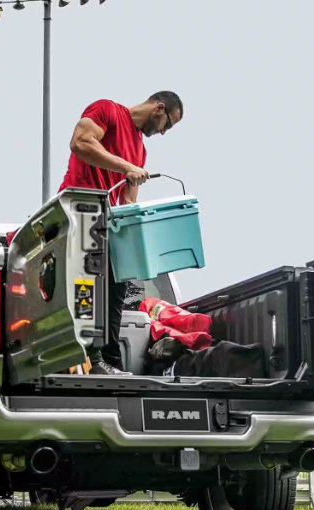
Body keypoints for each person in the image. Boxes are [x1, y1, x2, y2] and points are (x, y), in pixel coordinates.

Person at [59, 91, 183, 375]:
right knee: (85, 291)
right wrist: (126, 167)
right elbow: (80, 143)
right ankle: (85, 357)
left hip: (109, 228)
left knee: (117, 289)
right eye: (168, 124)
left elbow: (128, 202)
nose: (164, 132)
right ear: (158, 108)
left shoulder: (140, 150)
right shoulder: (108, 111)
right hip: (80, 216)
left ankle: (109, 364)